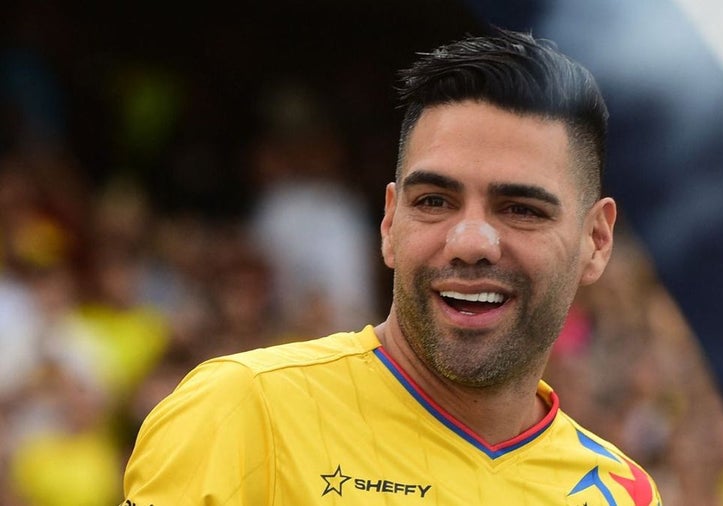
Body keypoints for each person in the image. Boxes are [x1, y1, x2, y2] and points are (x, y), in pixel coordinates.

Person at [121, 28, 662, 505]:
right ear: (388, 223)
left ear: (596, 240)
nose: (470, 242)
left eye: (521, 209)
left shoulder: (623, 492)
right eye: (434, 201)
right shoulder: (243, 412)